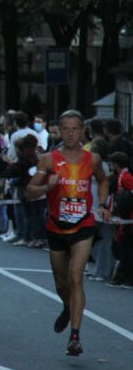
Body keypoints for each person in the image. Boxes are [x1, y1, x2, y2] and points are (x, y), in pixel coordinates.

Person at [26, 110, 110, 357]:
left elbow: (104, 180)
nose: (71, 133)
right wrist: (45, 186)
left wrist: (103, 204)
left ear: (82, 130)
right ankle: (67, 306)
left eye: (75, 128)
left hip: (83, 225)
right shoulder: (49, 160)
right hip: (56, 227)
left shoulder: (92, 159)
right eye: (66, 128)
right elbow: (29, 192)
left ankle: (75, 336)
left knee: (76, 277)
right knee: (61, 282)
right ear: (60, 130)